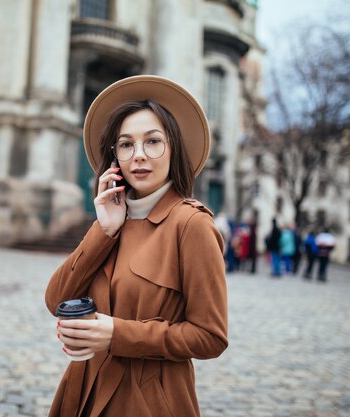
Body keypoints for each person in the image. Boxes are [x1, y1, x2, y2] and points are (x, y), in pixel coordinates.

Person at [45, 75, 228, 417]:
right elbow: (56, 300)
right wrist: (104, 229)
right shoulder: (112, 221)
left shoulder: (192, 224)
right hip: (83, 392)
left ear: (174, 148)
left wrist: (116, 333)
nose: (139, 156)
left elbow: (210, 337)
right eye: (126, 144)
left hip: (148, 401)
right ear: (114, 157)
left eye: (153, 141)